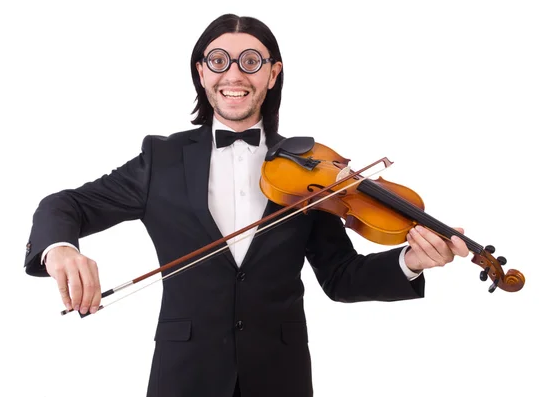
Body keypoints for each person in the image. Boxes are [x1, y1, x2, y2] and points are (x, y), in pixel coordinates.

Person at [24, 13, 468, 397]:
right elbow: (65, 205)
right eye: (219, 61)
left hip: (281, 376)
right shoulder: (161, 159)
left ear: (272, 74)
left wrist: (410, 261)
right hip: (185, 377)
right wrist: (60, 247)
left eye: (250, 62)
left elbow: (341, 278)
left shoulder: (316, 173)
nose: (234, 75)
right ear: (201, 72)